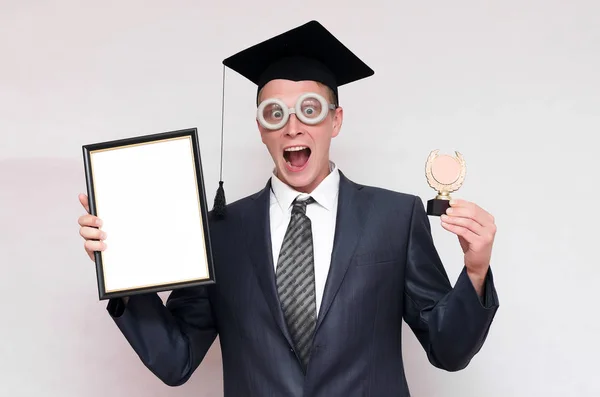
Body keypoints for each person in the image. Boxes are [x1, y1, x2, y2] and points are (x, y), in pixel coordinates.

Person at [77, 20, 499, 397]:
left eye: (309, 110)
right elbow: (176, 361)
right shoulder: (219, 231)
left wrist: (476, 273)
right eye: (275, 113)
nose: (292, 126)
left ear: (335, 121)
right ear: (261, 128)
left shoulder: (395, 217)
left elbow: (449, 351)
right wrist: (121, 272)